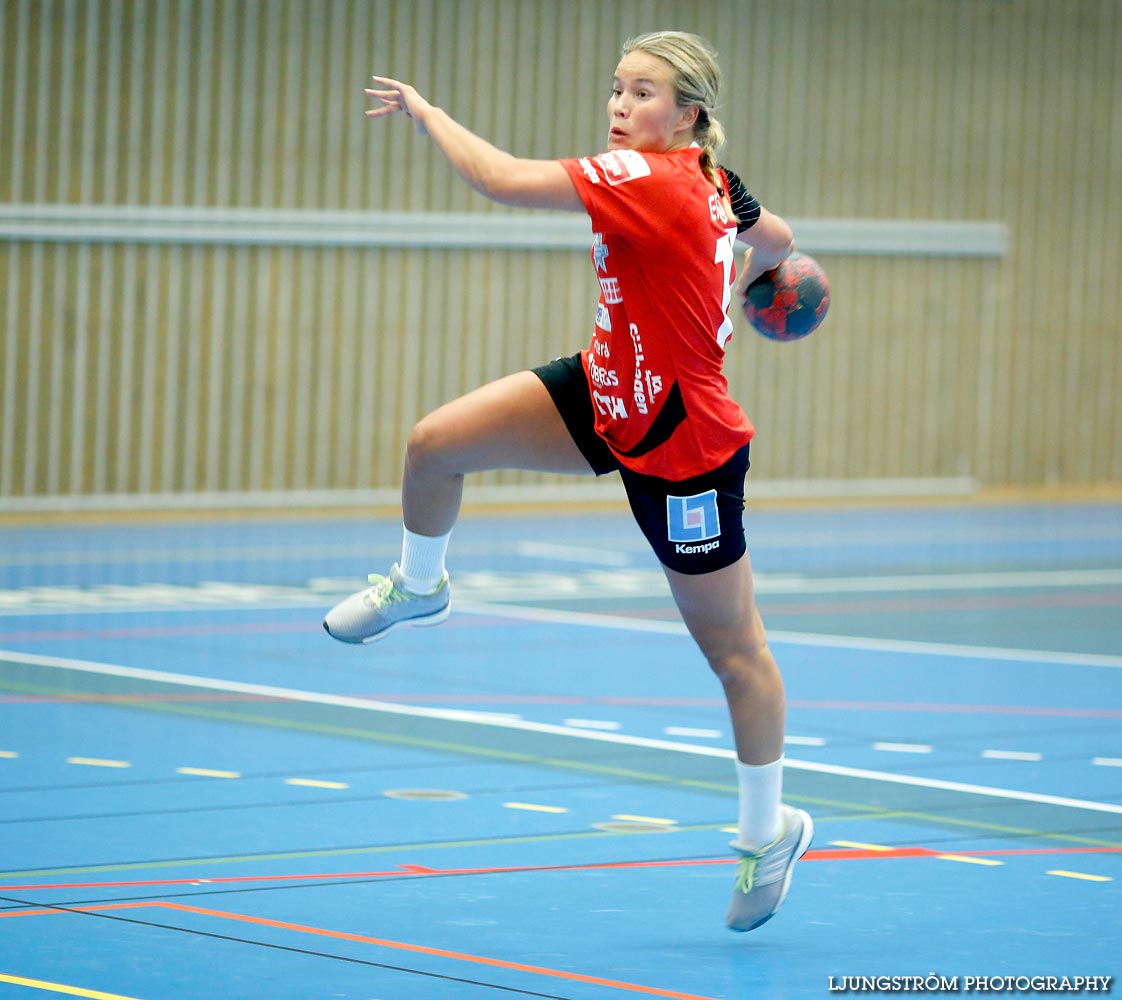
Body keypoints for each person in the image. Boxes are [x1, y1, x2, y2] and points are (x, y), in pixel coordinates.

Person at [324, 30, 813, 933]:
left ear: (689, 115)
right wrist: (769, 254)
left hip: (683, 448)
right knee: (435, 444)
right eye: (616, 91)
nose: (621, 108)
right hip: (605, 389)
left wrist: (429, 116)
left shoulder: (652, 179)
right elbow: (776, 237)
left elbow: (502, 180)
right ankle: (419, 584)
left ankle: (767, 832)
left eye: (642, 95)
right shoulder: (705, 180)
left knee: (734, 655)